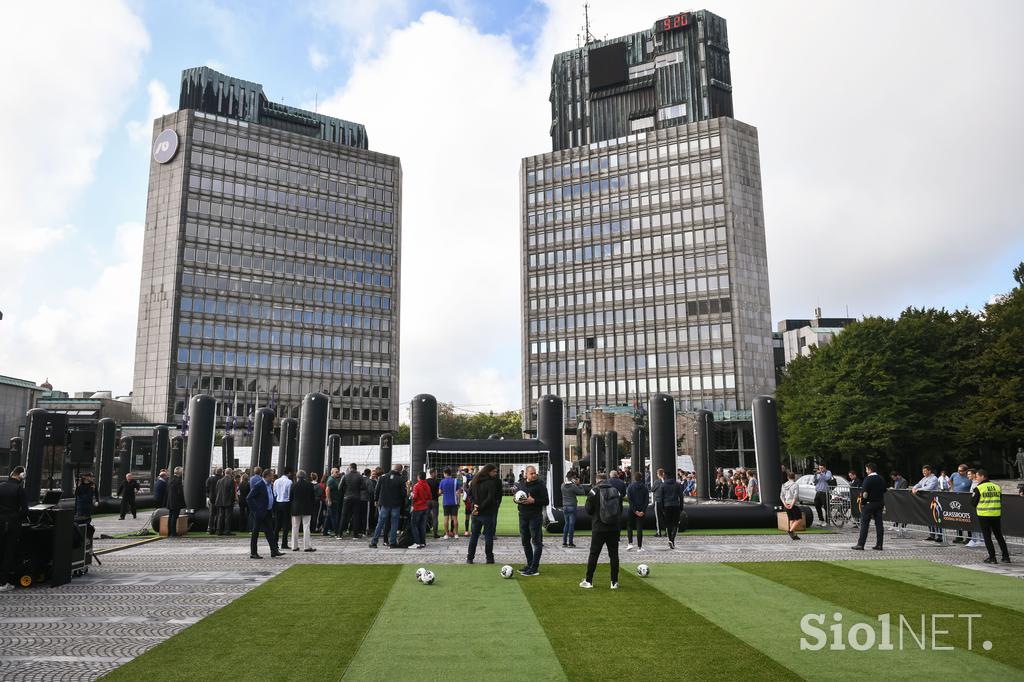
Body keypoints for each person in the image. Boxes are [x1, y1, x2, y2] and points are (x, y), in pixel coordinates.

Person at [580, 472, 622, 589]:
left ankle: (589, 580)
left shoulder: (594, 491)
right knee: (614, 555)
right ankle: (614, 582)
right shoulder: (616, 491)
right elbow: (620, 509)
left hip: (599, 527)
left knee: (594, 554)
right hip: (613, 528)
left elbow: (588, 509)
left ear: (597, 480)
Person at [515, 465, 548, 576]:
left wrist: (534, 501)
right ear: (526, 474)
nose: (534, 475)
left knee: (537, 542)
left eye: (535, 473)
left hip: (535, 517)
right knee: (525, 541)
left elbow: (546, 501)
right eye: (531, 473)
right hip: (523, 516)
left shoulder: (540, 485)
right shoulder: (521, 484)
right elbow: (517, 497)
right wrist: (516, 500)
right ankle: (529, 565)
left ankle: (534, 568)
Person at [972, 469, 1010, 564]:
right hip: (996, 514)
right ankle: (1006, 557)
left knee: (987, 537)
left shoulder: (979, 488)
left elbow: (973, 503)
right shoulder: (997, 487)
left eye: (977, 476)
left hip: (984, 515)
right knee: (999, 535)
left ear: (982, 476)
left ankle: (992, 558)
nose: (976, 478)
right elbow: (1000, 500)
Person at [0, 467, 29, 592]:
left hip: (0, 522)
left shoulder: (1, 486)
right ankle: (3, 582)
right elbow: (25, 510)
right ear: (21, 476)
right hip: (12, 525)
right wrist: (17, 517)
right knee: (8, 552)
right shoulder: (19, 489)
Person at [466, 463, 502, 564]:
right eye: (494, 471)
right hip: (486, 513)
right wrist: (480, 506)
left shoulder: (474, 481)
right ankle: (489, 558)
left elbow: (469, 494)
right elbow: (490, 498)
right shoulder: (490, 483)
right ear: (488, 471)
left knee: (474, 536)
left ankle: (470, 558)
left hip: (476, 513)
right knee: (488, 536)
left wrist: (475, 505)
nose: (495, 473)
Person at [246, 469, 282, 559]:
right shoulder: (259, 485)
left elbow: (270, 496)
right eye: (271, 476)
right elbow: (249, 498)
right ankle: (253, 552)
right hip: (260, 513)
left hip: (268, 512)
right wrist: (255, 510)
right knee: (255, 532)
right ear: (266, 476)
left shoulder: (269, 485)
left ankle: (274, 550)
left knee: (270, 531)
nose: (272, 478)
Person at [851, 463, 886, 551]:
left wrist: (863, 503)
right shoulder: (881, 478)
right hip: (879, 502)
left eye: (866, 469)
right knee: (879, 524)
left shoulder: (868, 479)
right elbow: (884, 490)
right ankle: (879, 544)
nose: (866, 471)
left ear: (870, 470)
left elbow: (864, 493)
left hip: (869, 504)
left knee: (864, 524)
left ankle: (861, 544)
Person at [369, 464, 405, 548]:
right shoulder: (400, 479)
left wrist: (376, 500)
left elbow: (377, 490)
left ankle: (374, 542)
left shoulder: (382, 477)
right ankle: (392, 542)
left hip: (384, 503)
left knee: (380, 522)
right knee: (394, 523)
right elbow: (403, 494)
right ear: (400, 470)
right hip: (396, 504)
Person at [911, 465, 941, 541]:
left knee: (936, 518)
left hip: (934, 501)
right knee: (929, 518)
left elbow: (929, 488)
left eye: (925, 471)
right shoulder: (924, 478)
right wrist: (914, 487)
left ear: (929, 471)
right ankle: (932, 535)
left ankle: (939, 536)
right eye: (923, 471)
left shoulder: (934, 478)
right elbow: (919, 484)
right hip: (927, 501)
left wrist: (918, 489)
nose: (923, 472)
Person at [654, 470, 683, 549]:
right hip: (676, 505)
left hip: (667, 506)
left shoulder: (663, 485)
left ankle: (670, 539)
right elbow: (681, 496)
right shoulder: (677, 485)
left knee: (668, 524)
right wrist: (681, 506)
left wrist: (662, 507)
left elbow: (661, 498)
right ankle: (672, 539)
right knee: (676, 524)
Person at [290, 470, 317, 553]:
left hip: (296, 508)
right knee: (306, 527)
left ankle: (294, 546)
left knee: (295, 527)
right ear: (305, 476)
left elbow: (291, 498)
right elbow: (313, 498)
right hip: (307, 508)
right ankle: (307, 546)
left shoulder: (293, 485)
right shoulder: (309, 485)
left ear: (297, 477)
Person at [339, 463, 366, 538]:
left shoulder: (345, 476)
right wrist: (357, 489)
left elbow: (339, 487)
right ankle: (355, 535)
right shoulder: (360, 476)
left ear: (350, 468)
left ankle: (339, 534)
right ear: (356, 468)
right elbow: (364, 487)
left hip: (347, 497)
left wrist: (346, 491)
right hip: (357, 497)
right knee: (356, 516)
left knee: (344, 515)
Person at [560, 470, 585, 548]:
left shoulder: (562, 485)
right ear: (573, 478)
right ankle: (570, 543)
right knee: (571, 525)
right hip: (572, 506)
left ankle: (564, 542)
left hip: (565, 506)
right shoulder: (573, 486)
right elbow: (582, 492)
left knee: (566, 524)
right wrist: (579, 484)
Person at [625, 472, 649, 552]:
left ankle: (630, 543)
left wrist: (635, 510)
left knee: (629, 526)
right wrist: (642, 510)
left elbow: (630, 500)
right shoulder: (645, 487)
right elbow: (646, 501)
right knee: (639, 528)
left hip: (632, 509)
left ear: (634, 478)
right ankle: (639, 547)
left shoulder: (630, 487)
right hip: (641, 509)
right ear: (641, 478)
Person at [950, 464, 972, 544]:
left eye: (961, 471)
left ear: (966, 471)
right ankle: (959, 536)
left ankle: (969, 537)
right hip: (956, 500)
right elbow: (950, 480)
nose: (959, 472)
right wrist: (952, 489)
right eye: (958, 470)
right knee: (957, 518)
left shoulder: (969, 477)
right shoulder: (954, 474)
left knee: (967, 519)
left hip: (966, 500)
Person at [438, 468, 460, 539]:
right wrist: (458, 502)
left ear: (445, 473)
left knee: (446, 518)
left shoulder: (442, 481)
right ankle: (456, 534)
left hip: (446, 502)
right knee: (455, 518)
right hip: (454, 502)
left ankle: (446, 534)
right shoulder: (456, 481)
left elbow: (440, 492)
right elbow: (458, 493)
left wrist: (445, 492)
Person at [213, 467, 236, 535]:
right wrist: (233, 500)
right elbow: (232, 492)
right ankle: (227, 531)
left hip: (220, 500)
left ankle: (219, 530)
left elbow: (216, 491)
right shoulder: (231, 480)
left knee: (220, 516)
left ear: (224, 472)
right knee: (227, 516)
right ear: (231, 473)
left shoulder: (219, 481)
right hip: (228, 501)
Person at [273, 468, 293, 549]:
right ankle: (284, 543)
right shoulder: (289, 482)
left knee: (277, 524)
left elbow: (274, 492)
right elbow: (289, 494)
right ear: (288, 473)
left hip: (278, 502)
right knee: (286, 524)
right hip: (286, 503)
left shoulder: (276, 481)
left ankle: (275, 542)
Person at [411, 472, 431, 549]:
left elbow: (414, 496)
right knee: (422, 526)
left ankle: (417, 542)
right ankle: (423, 542)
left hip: (417, 507)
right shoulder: (427, 485)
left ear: (418, 477)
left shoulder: (417, 485)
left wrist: (411, 496)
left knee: (414, 525)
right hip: (425, 507)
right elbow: (429, 496)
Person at [781, 472, 802, 540]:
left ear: (788, 477)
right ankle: (790, 531)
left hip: (786, 503)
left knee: (792, 519)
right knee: (799, 519)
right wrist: (792, 505)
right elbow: (795, 496)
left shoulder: (784, 485)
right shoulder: (795, 485)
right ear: (794, 477)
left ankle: (794, 535)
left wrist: (785, 504)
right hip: (793, 504)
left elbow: (781, 496)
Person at [166, 467, 185, 538]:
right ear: (180, 473)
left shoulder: (171, 479)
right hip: (176, 502)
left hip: (170, 501)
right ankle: (173, 533)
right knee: (174, 517)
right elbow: (180, 493)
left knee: (170, 517)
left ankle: (169, 532)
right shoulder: (178, 481)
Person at [205, 468, 222, 534]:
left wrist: (208, 497)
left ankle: (210, 529)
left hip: (212, 498)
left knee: (212, 514)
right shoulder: (222, 479)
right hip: (220, 499)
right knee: (219, 515)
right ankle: (218, 529)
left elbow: (207, 489)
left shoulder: (210, 479)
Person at [324, 467, 340, 536]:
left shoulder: (334, 479)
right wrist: (329, 500)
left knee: (328, 516)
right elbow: (327, 490)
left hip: (334, 500)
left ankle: (325, 532)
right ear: (332, 472)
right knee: (334, 516)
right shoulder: (331, 480)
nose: (338, 473)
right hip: (332, 501)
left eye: (338, 472)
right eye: (336, 472)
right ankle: (337, 532)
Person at [426, 468, 441, 539]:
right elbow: (439, 492)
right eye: (436, 473)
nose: (436, 474)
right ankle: (435, 533)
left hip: (427, 501)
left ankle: (423, 532)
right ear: (433, 473)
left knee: (425, 517)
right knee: (435, 517)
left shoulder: (426, 481)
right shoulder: (437, 482)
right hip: (435, 500)